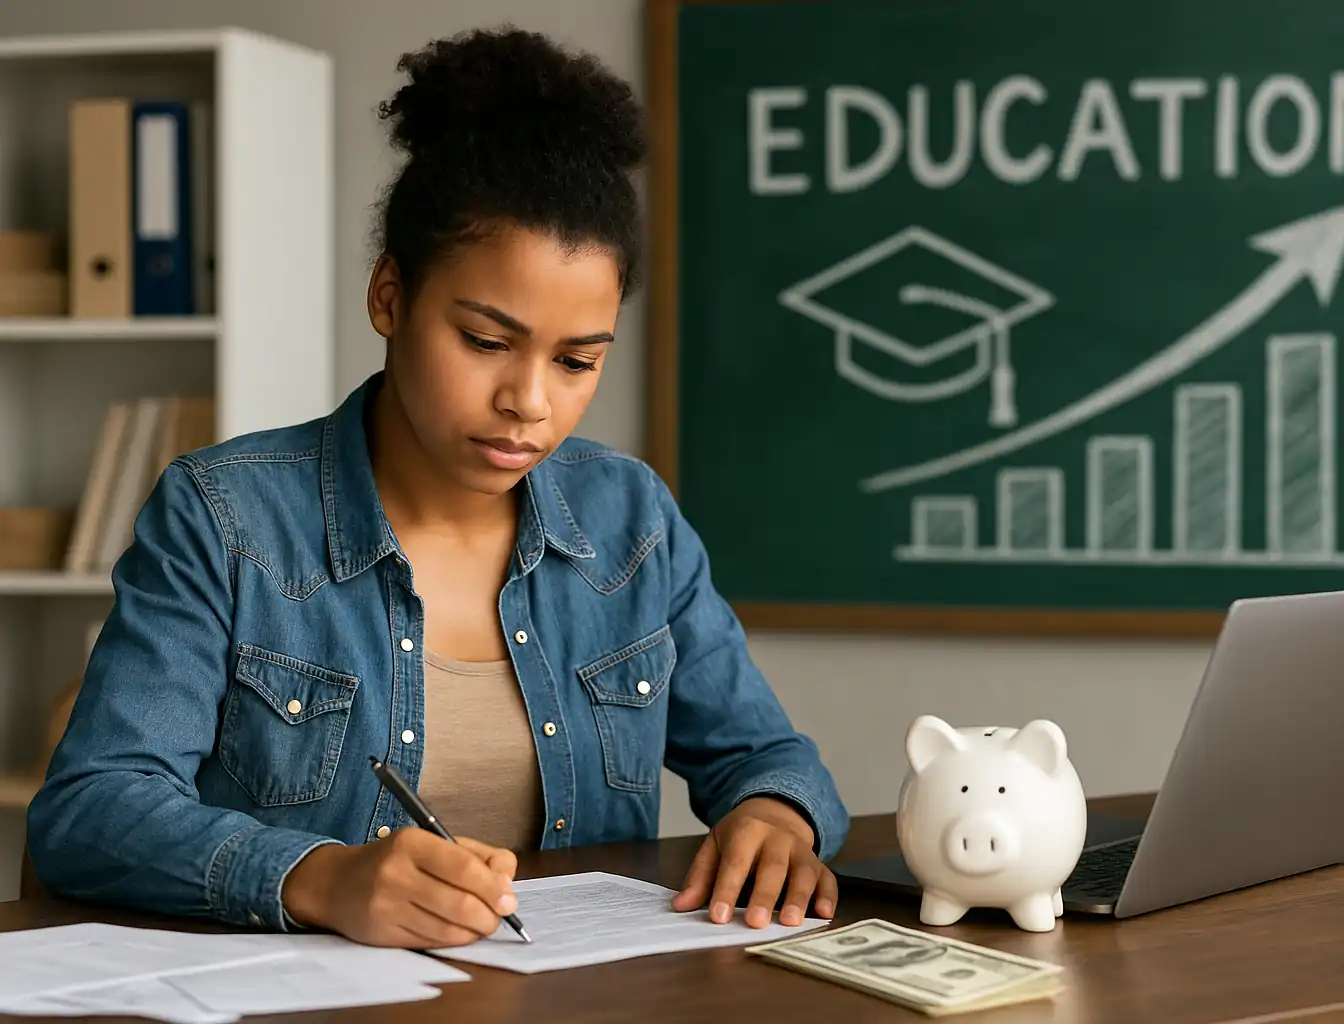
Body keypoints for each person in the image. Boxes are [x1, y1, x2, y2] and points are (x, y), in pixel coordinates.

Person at [26, 24, 847, 949]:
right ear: (389, 296)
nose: (528, 403)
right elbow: (89, 812)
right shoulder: (228, 516)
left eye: (577, 361)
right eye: (487, 342)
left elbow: (766, 755)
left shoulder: (631, 521)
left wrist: (778, 817)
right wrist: (318, 876)